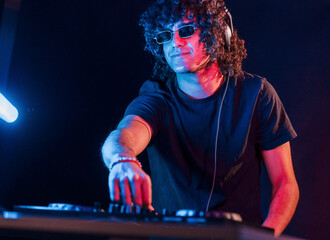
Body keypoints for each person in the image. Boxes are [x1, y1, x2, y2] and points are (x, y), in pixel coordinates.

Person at [101, 0, 299, 236]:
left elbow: (285, 183)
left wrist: (265, 236)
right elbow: (125, 135)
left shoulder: (257, 94)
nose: (176, 42)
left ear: (216, 33)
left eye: (186, 30)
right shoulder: (157, 98)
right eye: (165, 35)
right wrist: (122, 161)